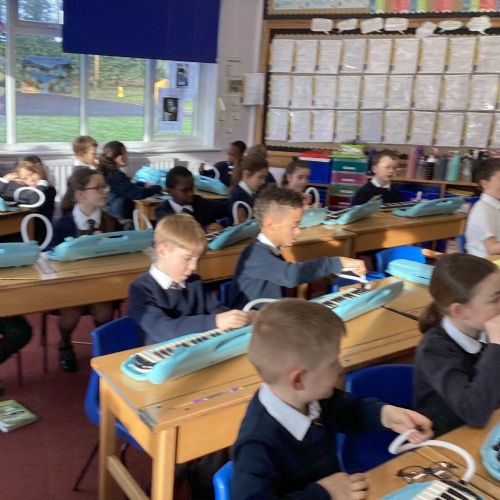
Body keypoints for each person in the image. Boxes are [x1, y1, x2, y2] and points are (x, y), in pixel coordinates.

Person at [232, 299, 433, 499]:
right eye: (332, 362)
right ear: (298, 380)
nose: (340, 368)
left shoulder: (310, 398)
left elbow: (350, 410)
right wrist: (324, 493)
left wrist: (385, 415)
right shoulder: (256, 445)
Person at [228, 185, 365, 310]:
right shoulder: (254, 255)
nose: (298, 231)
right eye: (294, 225)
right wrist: (337, 262)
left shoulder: (272, 250)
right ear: (271, 225)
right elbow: (291, 275)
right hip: (249, 325)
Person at [129, 214, 250, 345]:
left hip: (198, 348)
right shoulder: (141, 289)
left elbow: (216, 309)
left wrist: (238, 318)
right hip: (159, 352)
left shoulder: (194, 282)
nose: (194, 267)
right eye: (187, 259)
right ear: (162, 251)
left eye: (197, 259)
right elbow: (163, 329)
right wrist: (215, 321)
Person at [415, 253, 500, 436]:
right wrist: (496, 347)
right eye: (495, 299)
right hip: (449, 439)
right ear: (460, 311)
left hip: (489, 429)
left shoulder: (485, 330)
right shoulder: (434, 351)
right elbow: (474, 412)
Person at [48, 168, 121, 372]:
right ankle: (65, 343)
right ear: (80, 195)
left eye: (105, 186)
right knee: (71, 312)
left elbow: (122, 254)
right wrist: (72, 249)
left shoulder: (111, 222)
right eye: (98, 188)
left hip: (102, 282)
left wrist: (109, 247)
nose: (105, 191)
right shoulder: (63, 224)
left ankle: (102, 346)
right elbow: (50, 257)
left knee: (104, 311)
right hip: (70, 284)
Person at [97, 141, 162, 226]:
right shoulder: (115, 176)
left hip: (111, 214)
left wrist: (143, 184)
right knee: (153, 221)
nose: (127, 157)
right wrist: (157, 188)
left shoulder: (106, 172)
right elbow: (138, 194)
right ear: (120, 158)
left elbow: (127, 187)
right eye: (126, 154)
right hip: (119, 220)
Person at [155, 166, 227, 233]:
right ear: (169, 191)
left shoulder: (199, 202)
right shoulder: (162, 211)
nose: (190, 193)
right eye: (185, 190)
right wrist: (204, 230)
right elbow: (176, 231)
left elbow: (225, 207)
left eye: (192, 188)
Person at [1, 156, 56, 243]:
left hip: (36, 235)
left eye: (31, 174)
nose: (30, 179)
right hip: (20, 231)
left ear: (40, 170)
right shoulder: (23, 191)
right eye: (25, 178)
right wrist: (5, 180)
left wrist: (41, 183)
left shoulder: (48, 190)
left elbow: (35, 200)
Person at [465, 158, 500, 257]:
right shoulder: (482, 210)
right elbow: (492, 249)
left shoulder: (495, 206)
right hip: (484, 263)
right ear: (485, 184)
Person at [229, 156, 269, 224]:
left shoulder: (251, 194)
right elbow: (241, 228)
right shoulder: (239, 198)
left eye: (264, 178)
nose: (263, 182)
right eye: (260, 177)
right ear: (246, 174)